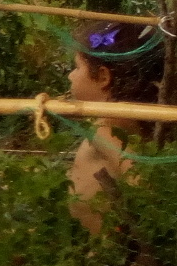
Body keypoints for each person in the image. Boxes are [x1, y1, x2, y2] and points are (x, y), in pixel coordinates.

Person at [67, 19, 167, 233]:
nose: (71, 75)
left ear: (103, 77)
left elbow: (141, 179)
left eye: (77, 67)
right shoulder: (139, 121)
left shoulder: (106, 129)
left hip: (103, 247)